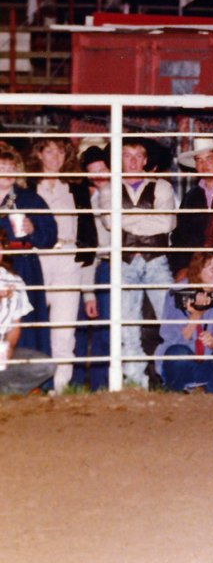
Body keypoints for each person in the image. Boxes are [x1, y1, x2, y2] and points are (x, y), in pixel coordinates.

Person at [29, 136, 98, 393]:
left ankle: (59, 386)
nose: (55, 158)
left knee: (64, 326)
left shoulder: (76, 186)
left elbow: (87, 226)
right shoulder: (28, 185)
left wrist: (85, 259)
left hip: (69, 256)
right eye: (49, 151)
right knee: (32, 321)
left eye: (60, 152)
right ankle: (30, 382)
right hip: (38, 257)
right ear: (39, 155)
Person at [108, 137, 177, 389]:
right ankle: (135, 380)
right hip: (125, 262)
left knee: (170, 318)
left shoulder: (162, 187)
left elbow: (166, 223)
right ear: (120, 158)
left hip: (156, 260)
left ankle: (172, 375)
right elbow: (109, 221)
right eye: (128, 155)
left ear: (146, 160)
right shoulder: (110, 188)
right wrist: (145, 218)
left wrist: (126, 218)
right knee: (127, 321)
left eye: (139, 155)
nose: (133, 161)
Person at [0, 141, 56, 379]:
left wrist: (33, 229)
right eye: (1, 166)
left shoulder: (31, 200)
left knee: (27, 321)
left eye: (11, 167)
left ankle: (32, 380)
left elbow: (50, 236)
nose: (6, 172)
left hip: (23, 264)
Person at [154, 253, 213, 394]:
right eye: (212, 268)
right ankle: (183, 388)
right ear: (198, 272)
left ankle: (204, 390)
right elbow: (172, 339)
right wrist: (196, 315)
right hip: (183, 359)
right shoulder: (177, 293)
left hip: (207, 361)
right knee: (178, 354)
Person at [72, 145, 112, 391]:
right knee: (91, 328)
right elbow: (91, 248)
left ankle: (104, 384)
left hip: (114, 265)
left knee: (105, 329)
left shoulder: (114, 194)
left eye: (102, 170)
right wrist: (88, 290)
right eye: (92, 172)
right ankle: (85, 385)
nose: (98, 176)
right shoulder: (88, 200)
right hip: (96, 267)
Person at [170, 136, 213, 275]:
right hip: (197, 264)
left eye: (210, 158)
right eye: (199, 160)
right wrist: (182, 268)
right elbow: (180, 236)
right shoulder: (191, 196)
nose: (204, 164)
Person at [0, 259, 54, 394]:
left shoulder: (14, 281)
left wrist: (9, 347)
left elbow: (15, 326)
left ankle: (7, 393)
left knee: (45, 366)